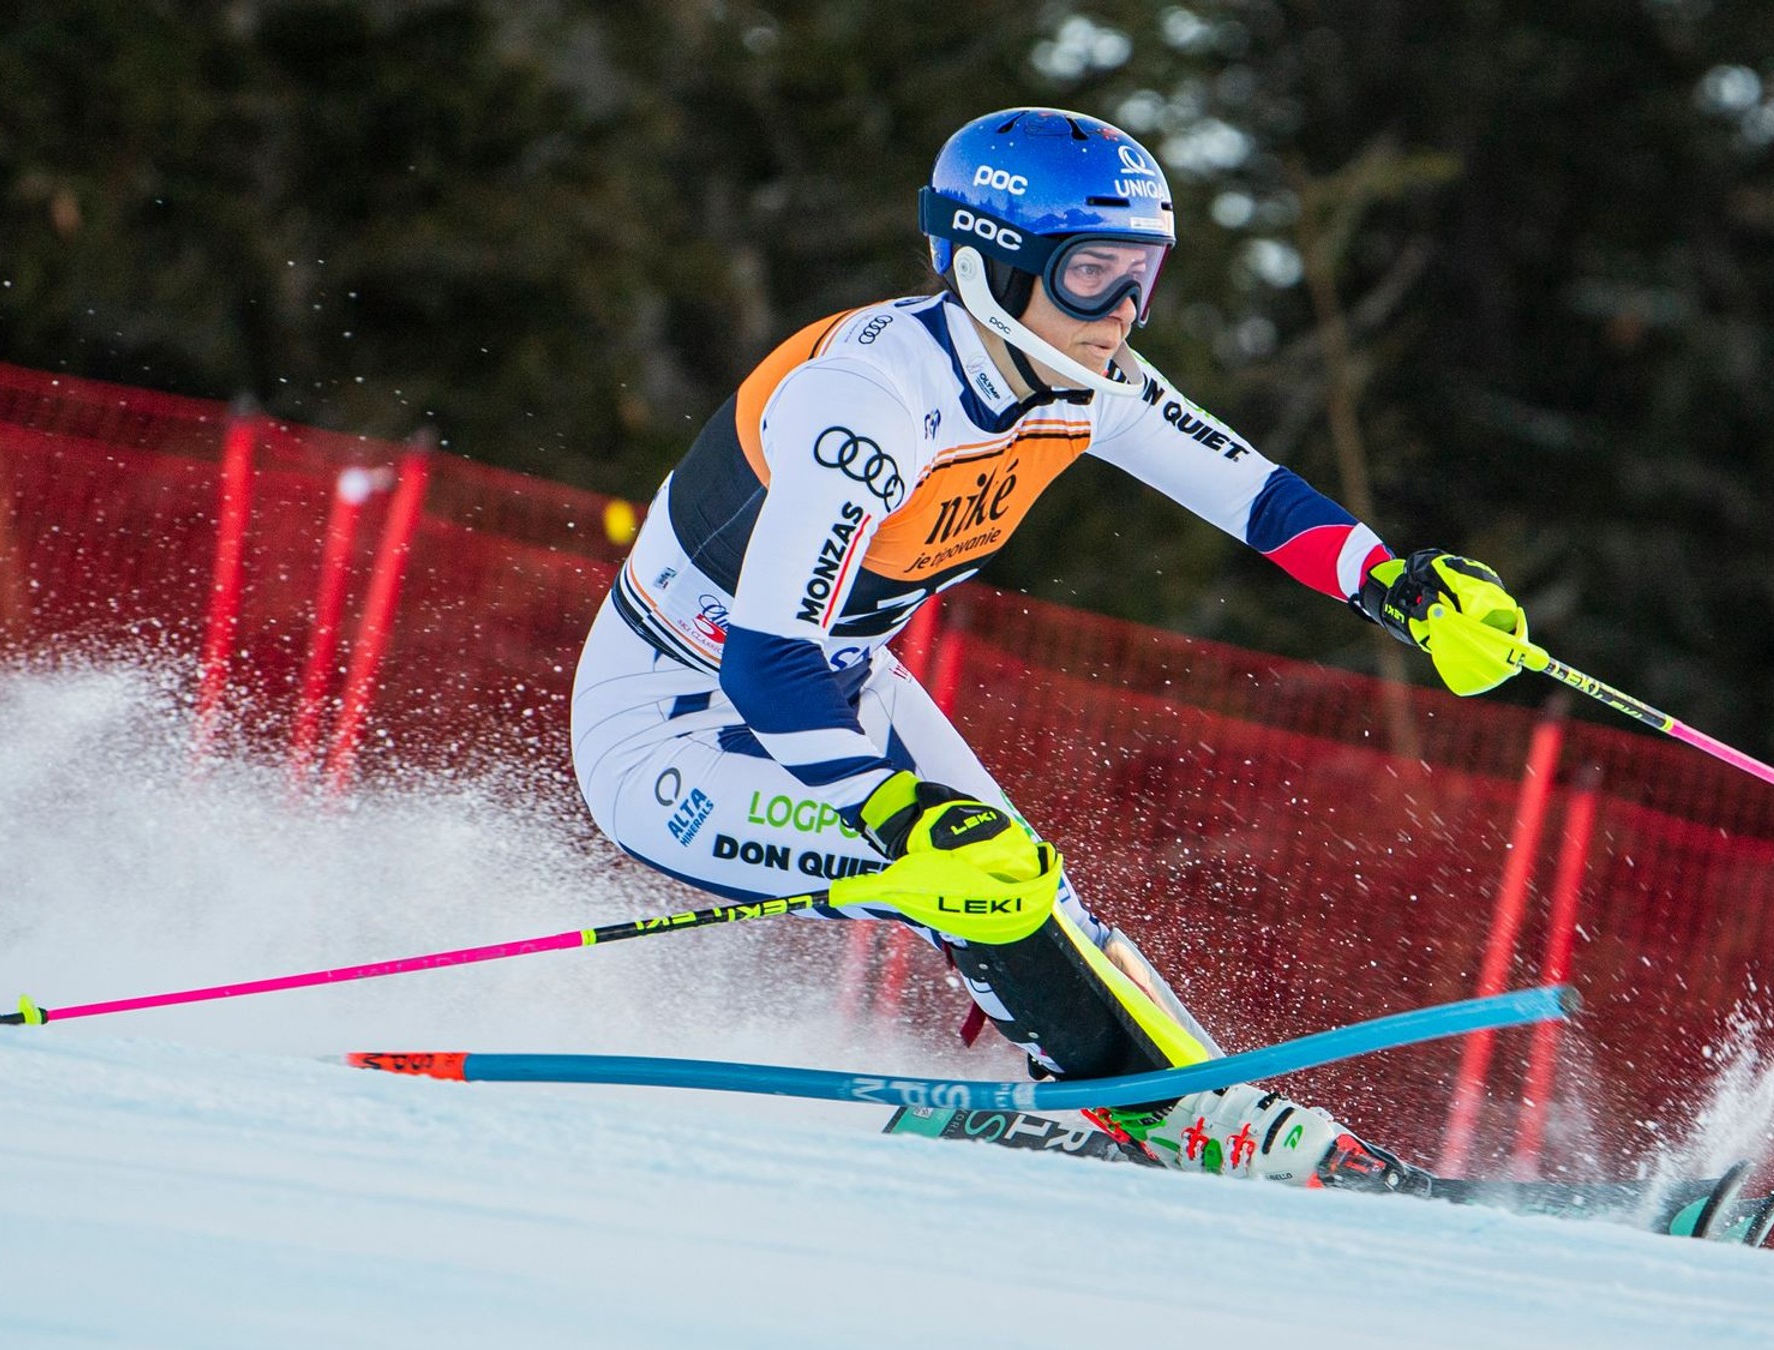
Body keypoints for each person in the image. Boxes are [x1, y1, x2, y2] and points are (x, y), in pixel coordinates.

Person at [569, 107, 1529, 1188]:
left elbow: (1247, 491)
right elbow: (766, 659)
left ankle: (1190, 1113)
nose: (1121, 311)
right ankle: (1166, 1115)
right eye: (1091, 275)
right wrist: (898, 811)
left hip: (843, 688)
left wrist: (1392, 585)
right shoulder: (871, 399)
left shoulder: (1080, 378)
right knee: (992, 878)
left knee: (1040, 894)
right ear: (990, 265)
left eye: (1142, 276)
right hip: (673, 727)